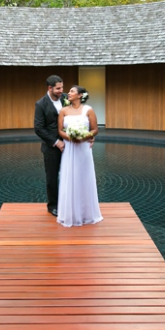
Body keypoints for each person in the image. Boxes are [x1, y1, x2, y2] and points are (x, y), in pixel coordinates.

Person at [57, 85, 103, 227]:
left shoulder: (88, 110)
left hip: (83, 147)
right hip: (70, 147)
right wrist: (70, 138)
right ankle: (69, 213)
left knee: (84, 177)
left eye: (71, 91)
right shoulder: (63, 111)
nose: (68, 93)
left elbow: (95, 129)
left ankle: (87, 213)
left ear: (80, 95)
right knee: (69, 177)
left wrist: (84, 136)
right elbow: (60, 130)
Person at [34, 75, 67, 216]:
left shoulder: (66, 98)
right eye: (58, 88)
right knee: (52, 178)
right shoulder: (41, 104)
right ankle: (53, 206)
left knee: (69, 175)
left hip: (69, 145)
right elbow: (39, 128)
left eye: (62, 87)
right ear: (50, 88)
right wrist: (56, 142)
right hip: (51, 148)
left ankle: (68, 203)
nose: (61, 91)